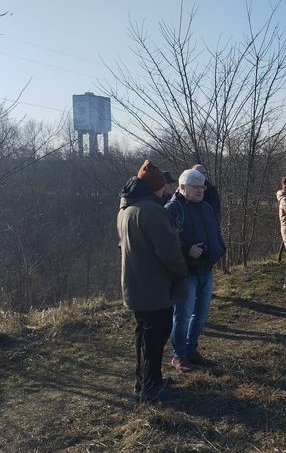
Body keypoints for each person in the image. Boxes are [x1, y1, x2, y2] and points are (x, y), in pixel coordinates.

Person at [117, 160, 188, 403]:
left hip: (134, 285)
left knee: (143, 336)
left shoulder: (126, 210)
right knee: (155, 338)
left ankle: (146, 380)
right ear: (154, 187)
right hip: (154, 287)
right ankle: (151, 387)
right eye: (161, 185)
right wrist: (181, 274)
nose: (164, 189)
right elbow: (169, 252)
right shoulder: (152, 211)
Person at [165, 169, 226, 372]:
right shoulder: (172, 209)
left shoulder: (207, 207)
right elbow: (164, 242)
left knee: (200, 314)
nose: (201, 191)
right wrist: (186, 249)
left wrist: (219, 249)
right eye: (196, 187)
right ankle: (179, 355)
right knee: (182, 315)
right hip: (185, 272)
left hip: (205, 269)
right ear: (182, 188)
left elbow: (216, 233)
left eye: (202, 187)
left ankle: (191, 349)